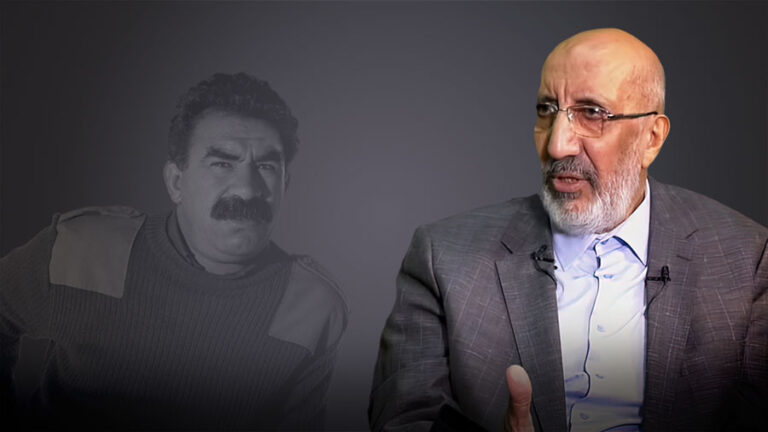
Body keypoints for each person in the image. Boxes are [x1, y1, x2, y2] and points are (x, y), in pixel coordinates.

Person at [369, 28, 767, 432]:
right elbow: (404, 419)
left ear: (651, 138)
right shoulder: (444, 257)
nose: (557, 145)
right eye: (547, 110)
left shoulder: (748, 259)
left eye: (592, 113)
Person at [0, 73, 348, 430]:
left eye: (266, 166)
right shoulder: (83, 250)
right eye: (222, 163)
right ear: (176, 182)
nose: (247, 189)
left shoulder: (313, 307)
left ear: (285, 184)